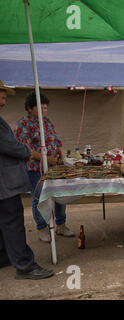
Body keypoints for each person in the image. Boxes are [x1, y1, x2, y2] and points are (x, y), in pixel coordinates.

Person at [0, 82, 54, 280]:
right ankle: (24, 265)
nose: (5, 102)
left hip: (6, 180)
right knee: (13, 221)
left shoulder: (46, 122)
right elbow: (12, 146)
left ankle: (5, 256)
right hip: (5, 182)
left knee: (4, 222)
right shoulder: (21, 124)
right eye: (3, 97)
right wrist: (30, 153)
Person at [15, 92, 74, 242]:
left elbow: (55, 139)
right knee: (40, 197)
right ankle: (42, 228)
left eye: (46, 108)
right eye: (40, 108)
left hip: (53, 165)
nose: (44, 111)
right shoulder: (23, 124)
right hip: (35, 168)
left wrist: (59, 153)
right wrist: (48, 159)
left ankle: (61, 224)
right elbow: (27, 149)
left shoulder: (47, 121)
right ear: (29, 108)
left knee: (60, 193)